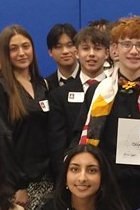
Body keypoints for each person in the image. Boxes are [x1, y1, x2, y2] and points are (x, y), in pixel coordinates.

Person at [77, 16, 140, 210]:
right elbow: (81, 135)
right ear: (115, 48)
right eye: (127, 44)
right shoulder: (98, 91)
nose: (133, 51)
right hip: (107, 186)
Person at [0, 25, 53, 210]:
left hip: (47, 179)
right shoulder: (0, 87)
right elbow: (2, 138)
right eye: (14, 49)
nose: (21, 53)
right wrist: (18, 185)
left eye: (26, 46)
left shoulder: (42, 84)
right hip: (19, 184)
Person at [47, 26, 110, 177]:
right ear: (76, 53)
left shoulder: (116, 90)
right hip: (74, 175)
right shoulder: (59, 96)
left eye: (97, 49)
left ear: (107, 53)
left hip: (110, 172)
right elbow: (57, 145)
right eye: (85, 48)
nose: (91, 54)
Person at [43, 22, 79, 89]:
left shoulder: (89, 79)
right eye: (58, 47)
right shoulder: (46, 85)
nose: (65, 51)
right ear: (50, 52)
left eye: (70, 45)